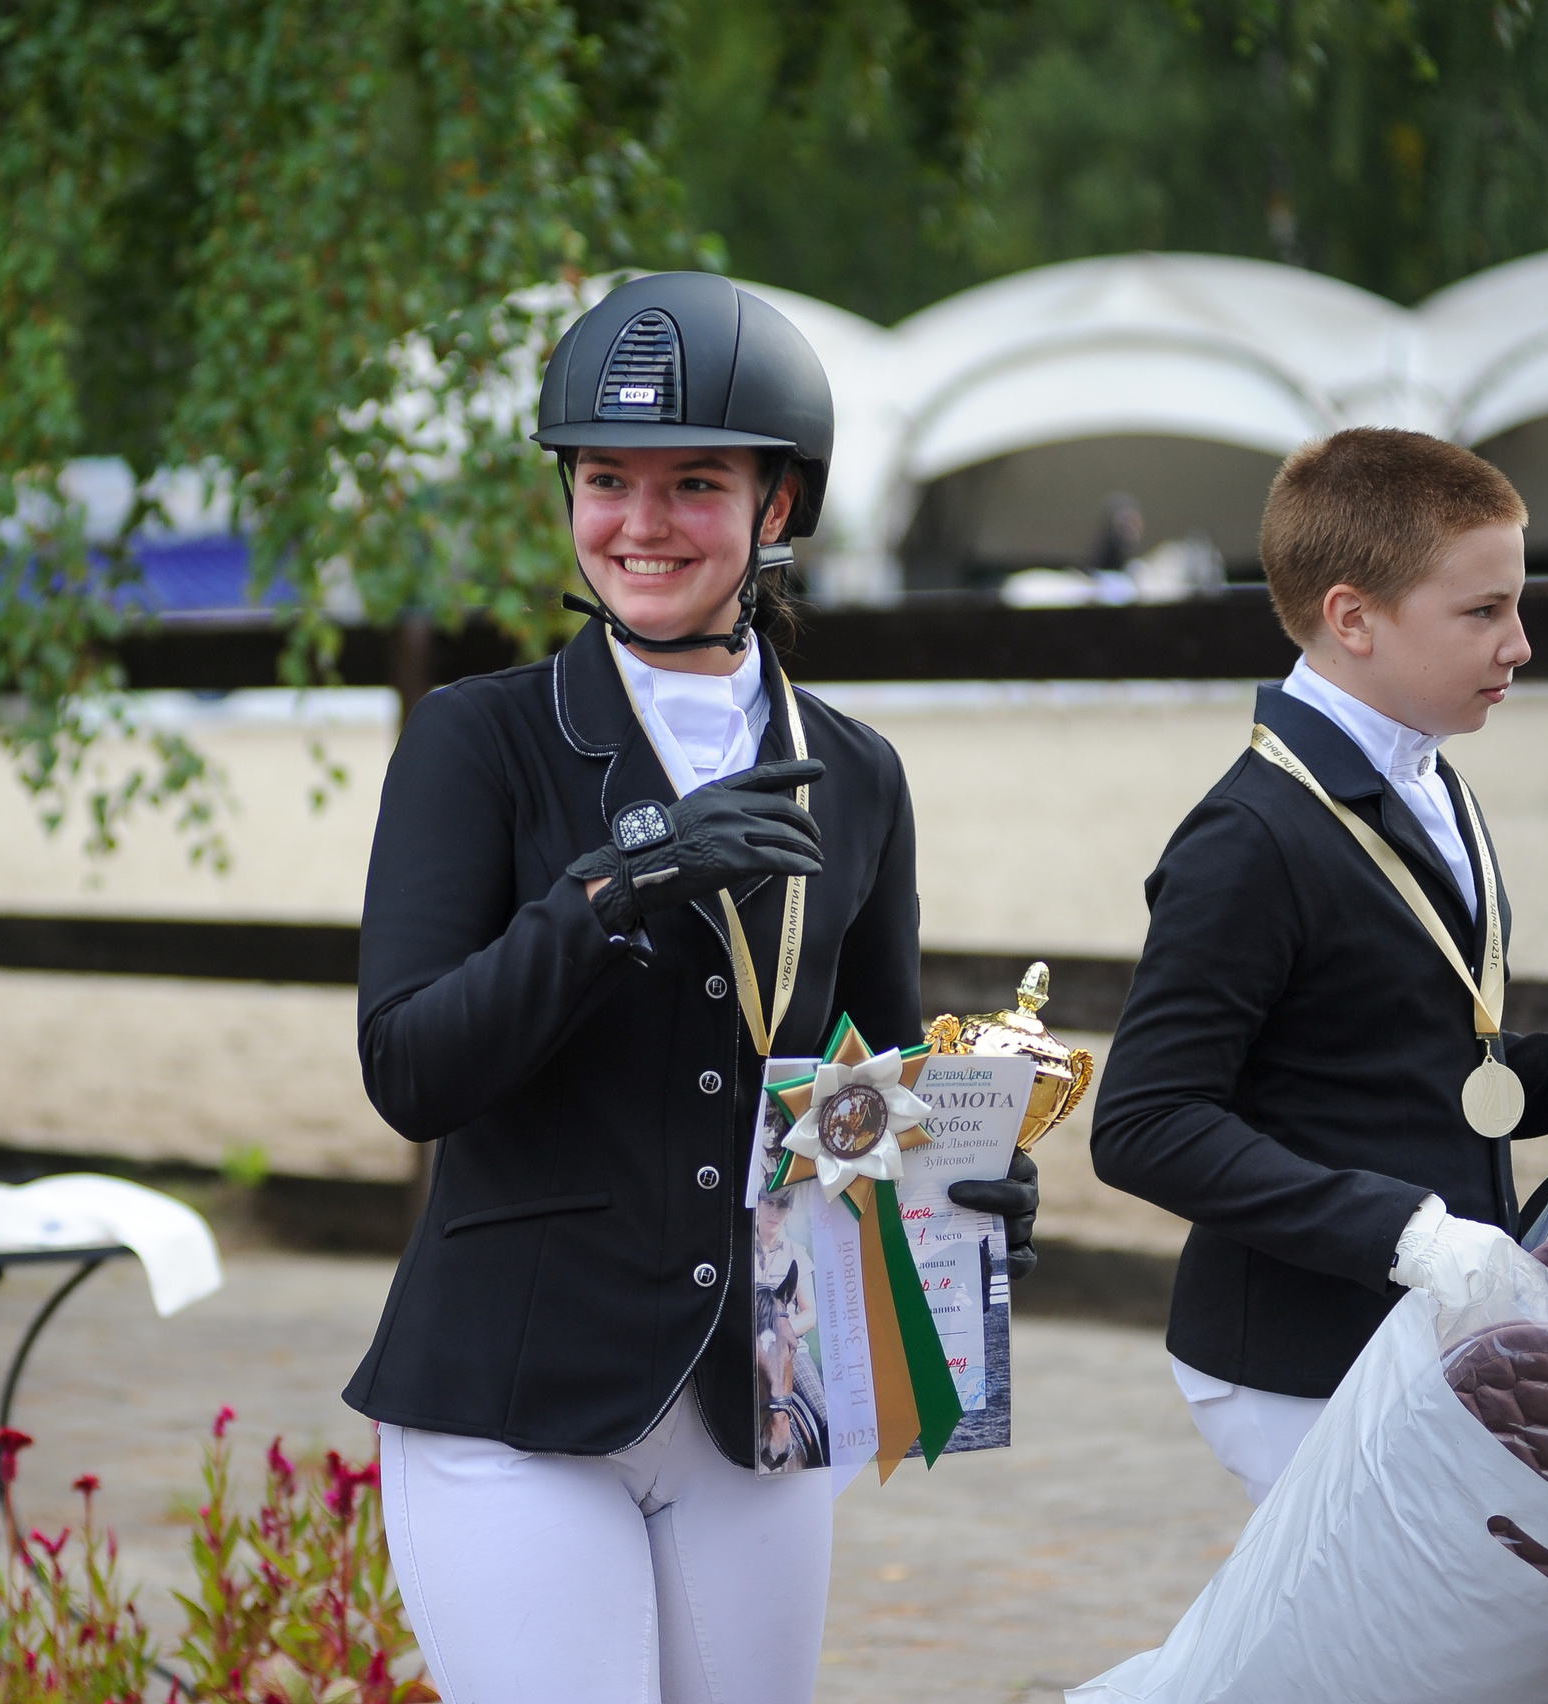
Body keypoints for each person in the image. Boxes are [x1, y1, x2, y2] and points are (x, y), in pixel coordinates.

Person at [343, 272, 1039, 1704]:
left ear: (778, 507)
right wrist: (623, 878)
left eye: (694, 483)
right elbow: (411, 1069)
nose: (641, 526)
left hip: (757, 1394)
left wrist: (953, 1173)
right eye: (607, 480)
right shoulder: (477, 742)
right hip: (517, 1396)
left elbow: (869, 1066)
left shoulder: (856, 770)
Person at [1093, 428, 1548, 1505]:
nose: (1520, 644)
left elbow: (1411, 1061)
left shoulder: (1431, 776)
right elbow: (1144, 1124)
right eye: (1482, 612)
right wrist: (1410, 1234)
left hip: (1428, 1327)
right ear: (1352, 619)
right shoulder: (1247, 837)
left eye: (1514, 605)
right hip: (1301, 1356)